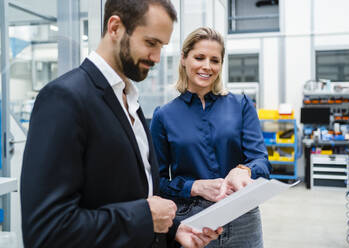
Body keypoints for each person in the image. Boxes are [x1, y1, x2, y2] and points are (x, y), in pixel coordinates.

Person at [20, 1, 222, 247]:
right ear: (115, 28)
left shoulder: (130, 100)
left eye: (162, 46)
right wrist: (146, 218)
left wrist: (173, 231)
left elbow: (132, 195)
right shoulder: (64, 98)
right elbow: (46, 231)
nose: (157, 57)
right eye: (150, 43)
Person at [150, 27, 272, 248]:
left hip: (243, 217)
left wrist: (243, 170)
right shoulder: (164, 116)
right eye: (199, 57)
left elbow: (262, 162)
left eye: (215, 60)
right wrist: (194, 186)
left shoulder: (241, 105)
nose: (207, 66)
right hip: (193, 222)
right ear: (184, 59)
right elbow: (156, 183)